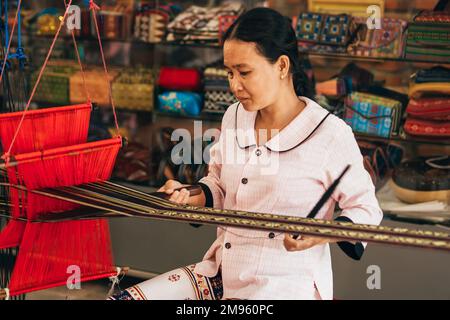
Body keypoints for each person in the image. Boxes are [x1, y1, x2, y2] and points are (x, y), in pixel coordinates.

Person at [109, 7, 382, 300]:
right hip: (224, 270)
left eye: (244, 72)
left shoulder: (329, 133)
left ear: (281, 66)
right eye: (229, 72)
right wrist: (187, 194)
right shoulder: (235, 116)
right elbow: (218, 186)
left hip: (284, 284)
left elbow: (365, 210)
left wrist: (319, 233)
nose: (234, 85)